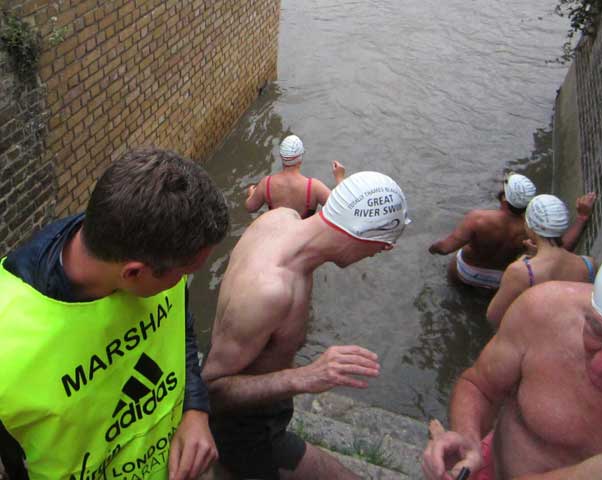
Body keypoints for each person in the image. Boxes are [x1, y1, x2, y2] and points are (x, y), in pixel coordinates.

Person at [0, 148, 229, 480]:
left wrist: (195, 409)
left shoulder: (139, 239)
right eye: (183, 272)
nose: (183, 282)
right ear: (133, 273)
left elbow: (181, 328)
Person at [202, 171, 410, 479]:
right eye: (380, 247)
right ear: (362, 236)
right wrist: (305, 377)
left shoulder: (281, 218)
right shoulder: (271, 291)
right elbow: (209, 389)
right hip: (243, 430)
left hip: (267, 410)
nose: (378, 254)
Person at [422, 235, 602, 480]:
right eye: (597, 331)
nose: (601, 365)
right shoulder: (545, 310)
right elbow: (480, 385)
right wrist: (466, 438)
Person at [428, 173, 595, 290]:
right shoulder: (532, 228)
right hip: (500, 279)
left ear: (504, 199)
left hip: (467, 272)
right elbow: (562, 250)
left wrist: (431, 248)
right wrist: (582, 218)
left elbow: (445, 248)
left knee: (453, 275)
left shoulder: (478, 219)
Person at [486, 194, 596, 328]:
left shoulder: (521, 272)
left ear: (530, 226)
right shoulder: (589, 264)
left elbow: (494, 317)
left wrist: (524, 260)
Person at [245, 134, 346, 218]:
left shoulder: (266, 183)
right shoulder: (313, 187)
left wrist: (251, 194)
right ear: (300, 158)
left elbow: (250, 208)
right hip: (304, 238)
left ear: (281, 156)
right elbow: (341, 208)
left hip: (279, 236)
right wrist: (339, 178)